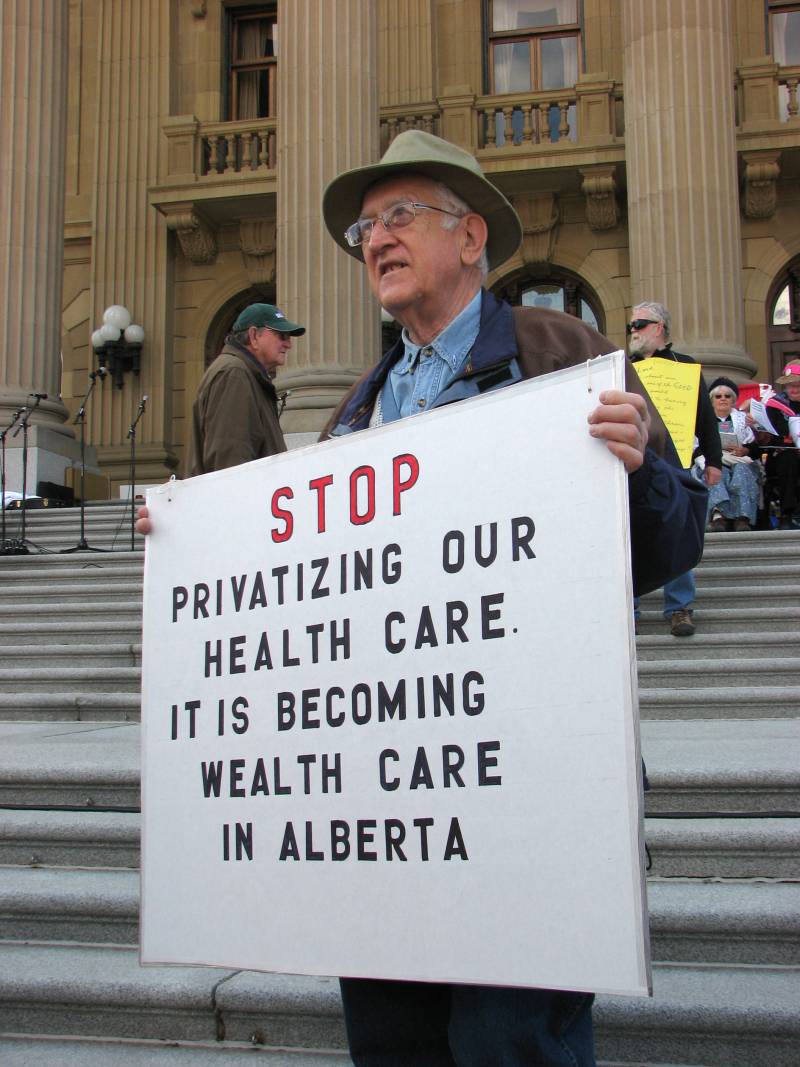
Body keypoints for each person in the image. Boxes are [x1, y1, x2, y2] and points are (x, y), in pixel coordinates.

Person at [138, 131, 706, 1067]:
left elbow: (674, 540)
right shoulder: (356, 411)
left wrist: (640, 465)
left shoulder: (565, 353)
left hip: (528, 787)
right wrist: (197, 543)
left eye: (400, 216)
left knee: (508, 1043)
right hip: (389, 801)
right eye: (367, 225)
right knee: (392, 1042)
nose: (375, 239)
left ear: (471, 235)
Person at [627, 302, 722, 637]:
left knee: (679, 528)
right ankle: (630, 608)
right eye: (631, 325)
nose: (633, 331)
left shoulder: (686, 367)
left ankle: (679, 607)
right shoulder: (625, 367)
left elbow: (705, 419)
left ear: (660, 328)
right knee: (630, 533)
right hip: (634, 465)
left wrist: (714, 460)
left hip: (675, 461)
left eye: (640, 324)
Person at [187, 302, 305, 476]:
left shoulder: (243, 373)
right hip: (240, 498)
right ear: (254, 336)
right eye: (281, 335)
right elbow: (229, 457)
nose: (288, 344)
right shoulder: (234, 374)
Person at [705, 377, 762, 531]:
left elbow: (756, 447)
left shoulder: (744, 419)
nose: (723, 399)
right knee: (717, 471)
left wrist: (745, 449)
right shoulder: (703, 420)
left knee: (741, 471)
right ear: (712, 400)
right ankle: (719, 517)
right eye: (718, 396)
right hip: (713, 460)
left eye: (727, 396)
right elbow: (695, 446)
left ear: (733, 400)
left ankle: (742, 518)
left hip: (741, 461)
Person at [764, 360, 800, 528]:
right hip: (783, 455)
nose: (793, 390)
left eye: (798, 385)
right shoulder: (775, 405)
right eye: (789, 385)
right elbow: (771, 435)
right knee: (789, 459)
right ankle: (788, 514)